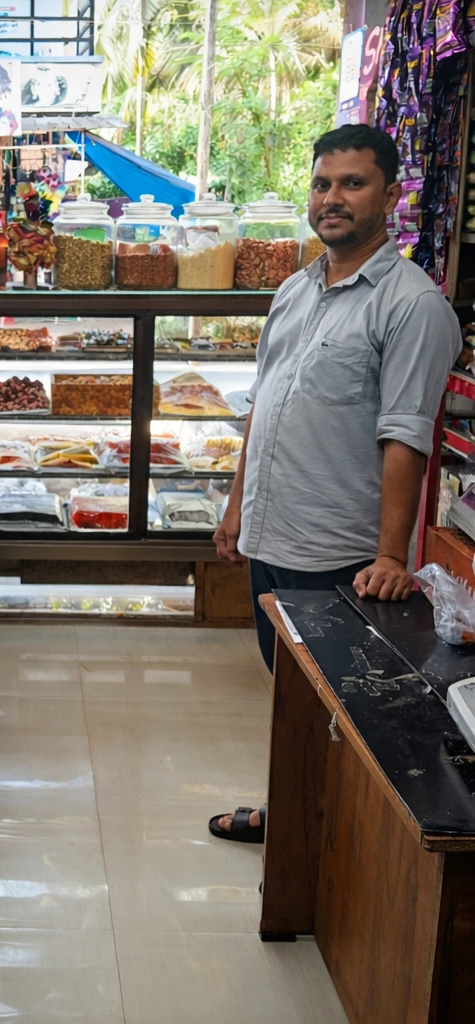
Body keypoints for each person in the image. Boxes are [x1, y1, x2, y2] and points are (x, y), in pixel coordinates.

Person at [209, 124, 462, 844]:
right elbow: (264, 405)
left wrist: (389, 556)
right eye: (322, 184)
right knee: (290, 691)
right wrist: (236, 508)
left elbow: (406, 436)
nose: (333, 198)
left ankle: (330, 843)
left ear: (391, 194)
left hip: (339, 555)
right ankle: (297, 819)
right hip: (273, 534)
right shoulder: (296, 289)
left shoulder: (412, 305)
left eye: (353, 183)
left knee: (345, 710)